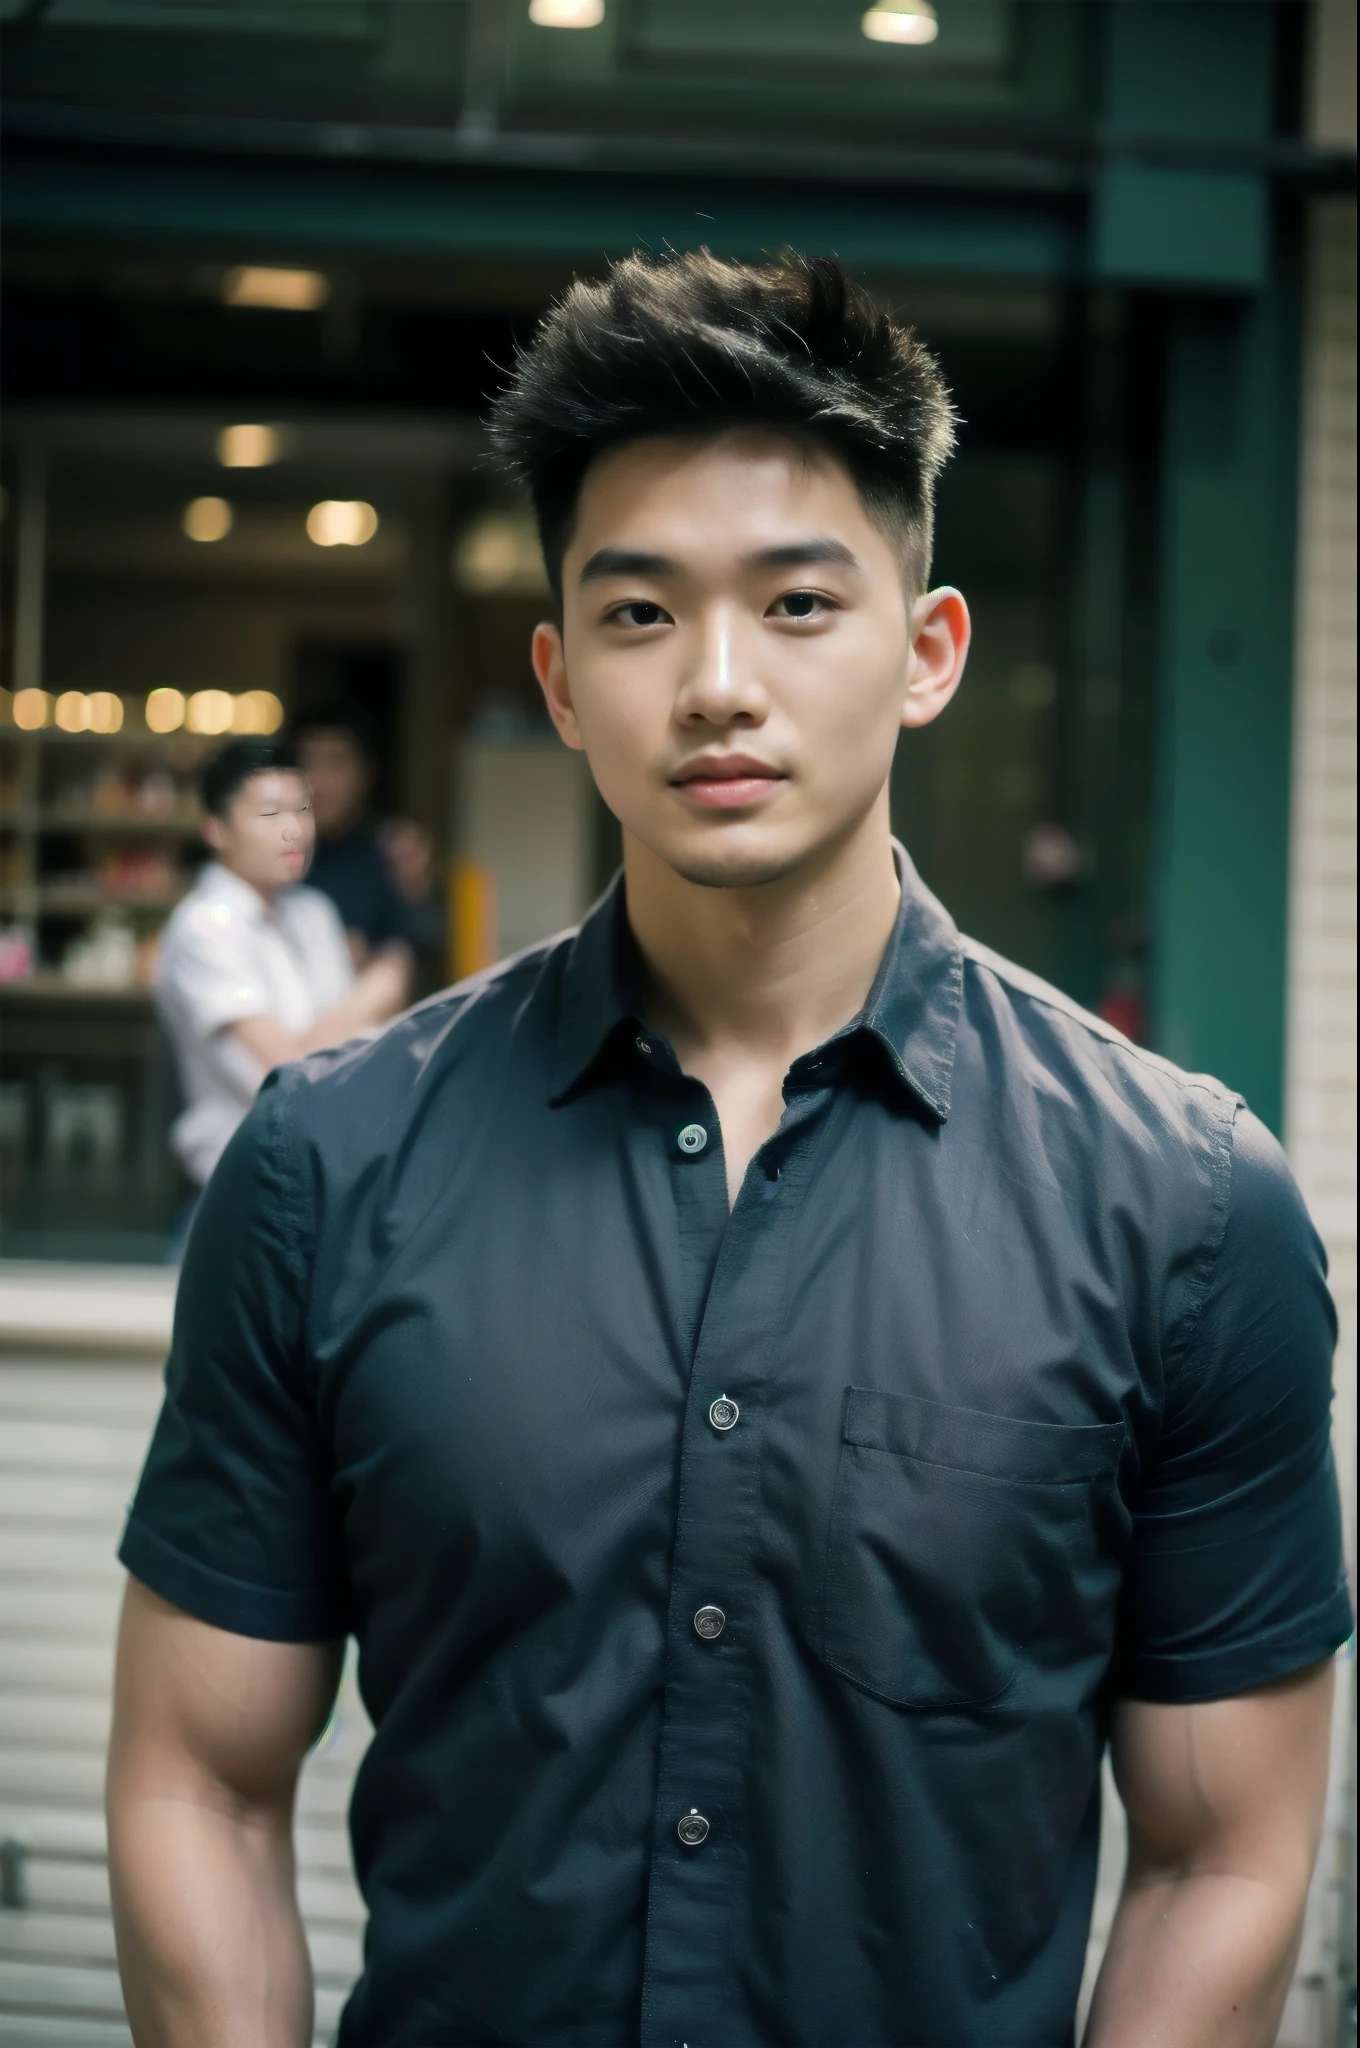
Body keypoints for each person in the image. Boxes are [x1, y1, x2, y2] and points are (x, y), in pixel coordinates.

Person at [109, 255, 1350, 2048]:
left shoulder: (1184, 1205)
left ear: (926, 653)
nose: (714, 683)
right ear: (556, 674)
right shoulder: (327, 1165)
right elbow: (194, 1787)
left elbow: (1222, 1862)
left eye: (795, 603)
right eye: (636, 615)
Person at [155, 737, 410, 1194]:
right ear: (216, 829)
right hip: (239, 1192)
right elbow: (289, 1079)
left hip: (327, 1182)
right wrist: (375, 991)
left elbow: (360, 1060)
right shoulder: (205, 927)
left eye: (303, 809)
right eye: (271, 813)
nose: (295, 830)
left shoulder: (314, 912)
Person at [292, 705, 416, 968]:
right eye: (307, 763)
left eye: (336, 764)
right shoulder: (270, 856)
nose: (319, 782)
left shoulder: (391, 858)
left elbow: (408, 957)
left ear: (367, 773)